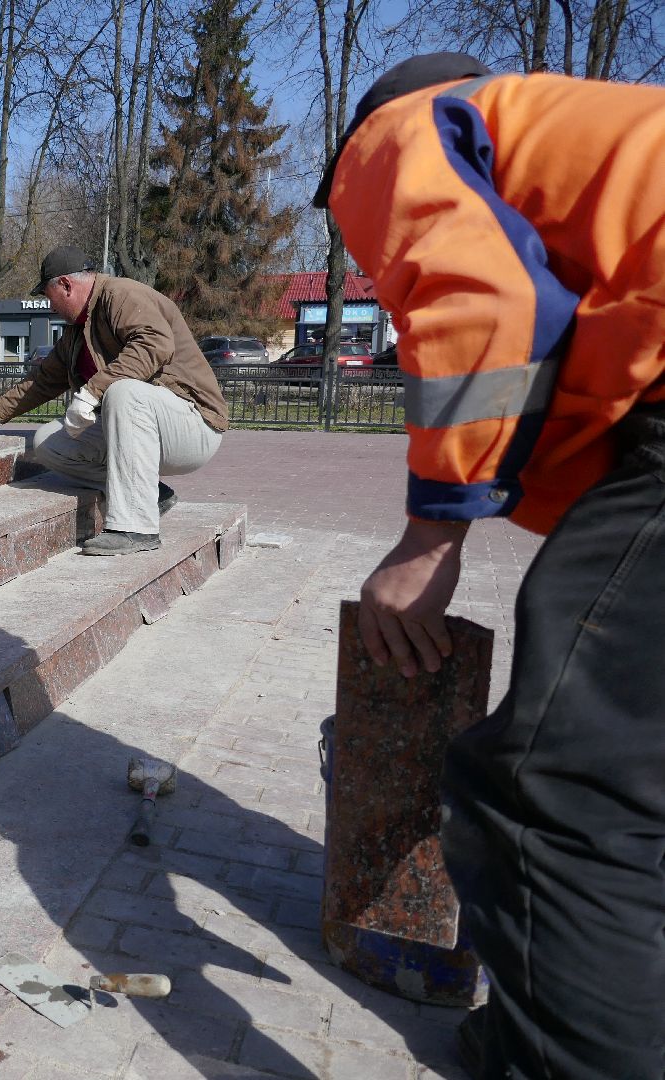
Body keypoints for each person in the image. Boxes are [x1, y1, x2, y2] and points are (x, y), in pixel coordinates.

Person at [319, 52, 665, 1079]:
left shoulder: (407, 130)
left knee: (550, 791)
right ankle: (536, 1030)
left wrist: (433, 535)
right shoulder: (577, 145)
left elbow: (480, 300)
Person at [0, 246, 228, 555]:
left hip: (193, 424)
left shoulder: (121, 295)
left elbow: (154, 346)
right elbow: (40, 382)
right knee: (49, 442)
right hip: (145, 426)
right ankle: (151, 494)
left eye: (48, 295)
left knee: (123, 391)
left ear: (65, 285)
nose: (49, 305)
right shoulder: (76, 332)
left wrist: (93, 391)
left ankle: (135, 528)